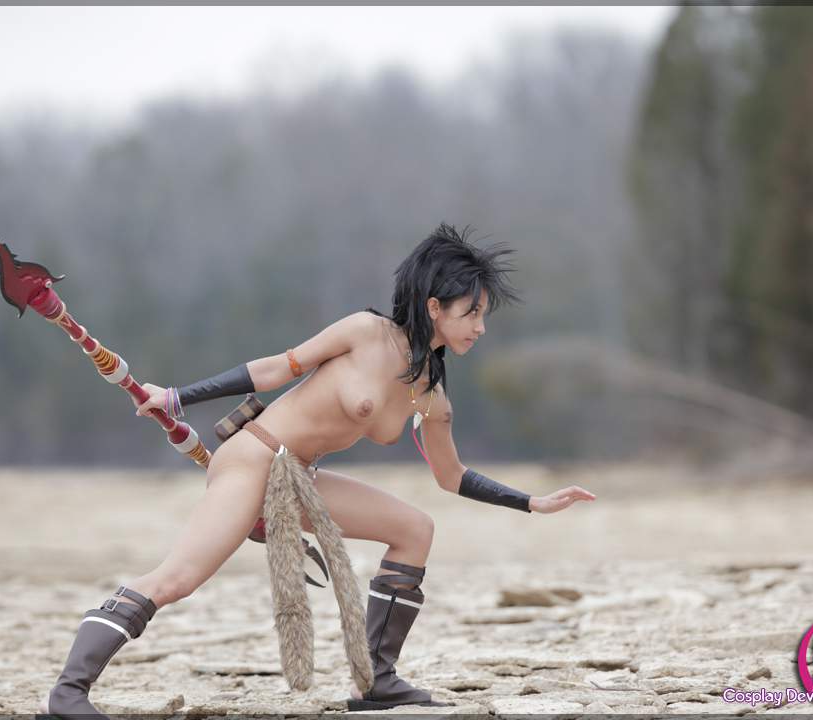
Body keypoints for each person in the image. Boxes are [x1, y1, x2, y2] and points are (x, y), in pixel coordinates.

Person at [42, 223, 597, 718]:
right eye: (471, 313)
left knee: (415, 530)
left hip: (297, 481)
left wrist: (532, 502)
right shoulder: (364, 332)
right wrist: (176, 397)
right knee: (176, 580)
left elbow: (451, 476)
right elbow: (272, 371)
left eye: (483, 316)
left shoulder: (431, 393)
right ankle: (68, 694)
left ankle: (375, 680)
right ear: (435, 306)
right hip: (254, 457)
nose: (480, 328)